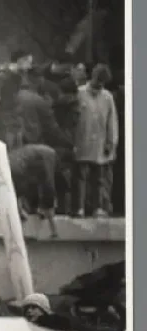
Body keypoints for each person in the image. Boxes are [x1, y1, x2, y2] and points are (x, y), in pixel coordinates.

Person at [73, 64, 118, 217]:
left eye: (102, 83)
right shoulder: (79, 94)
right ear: (92, 77)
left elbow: (112, 122)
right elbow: (73, 119)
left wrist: (110, 143)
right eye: (98, 81)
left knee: (99, 178)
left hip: (100, 142)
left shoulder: (107, 97)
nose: (99, 85)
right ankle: (79, 207)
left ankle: (98, 207)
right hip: (82, 141)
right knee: (81, 177)